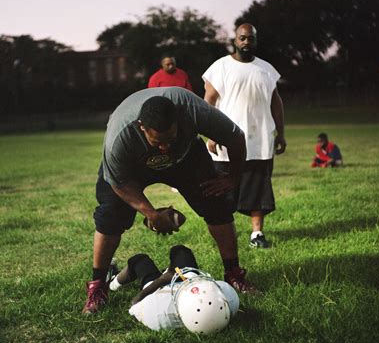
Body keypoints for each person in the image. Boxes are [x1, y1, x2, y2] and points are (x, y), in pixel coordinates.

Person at [83, 87, 256, 315]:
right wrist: (152, 214)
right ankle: (98, 285)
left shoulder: (192, 110)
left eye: (169, 139)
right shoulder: (120, 136)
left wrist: (233, 178)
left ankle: (234, 274)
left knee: (217, 203)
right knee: (110, 214)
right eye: (157, 142)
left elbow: (236, 137)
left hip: (185, 158)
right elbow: (119, 183)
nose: (164, 147)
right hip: (134, 167)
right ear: (141, 127)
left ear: (178, 121)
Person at [203, 23, 286, 249]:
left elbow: (275, 102)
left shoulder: (267, 69)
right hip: (227, 141)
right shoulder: (220, 67)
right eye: (242, 38)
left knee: (258, 188)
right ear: (235, 40)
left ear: (255, 41)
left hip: (261, 140)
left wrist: (281, 132)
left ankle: (256, 234)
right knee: (222, 191)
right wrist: (211, 133)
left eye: (250, 38)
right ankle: (224, 235)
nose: (246, 42)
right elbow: (208, 102)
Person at [109, 245, 239, 333]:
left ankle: (112, 282)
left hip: (159, 289)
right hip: (191, 280)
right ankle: (171, 272)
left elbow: (135, 303)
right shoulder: (229, 298)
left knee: (139, 260)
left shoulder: (159, 313)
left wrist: (161, 280)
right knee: (180, 251)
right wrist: (192, 280)